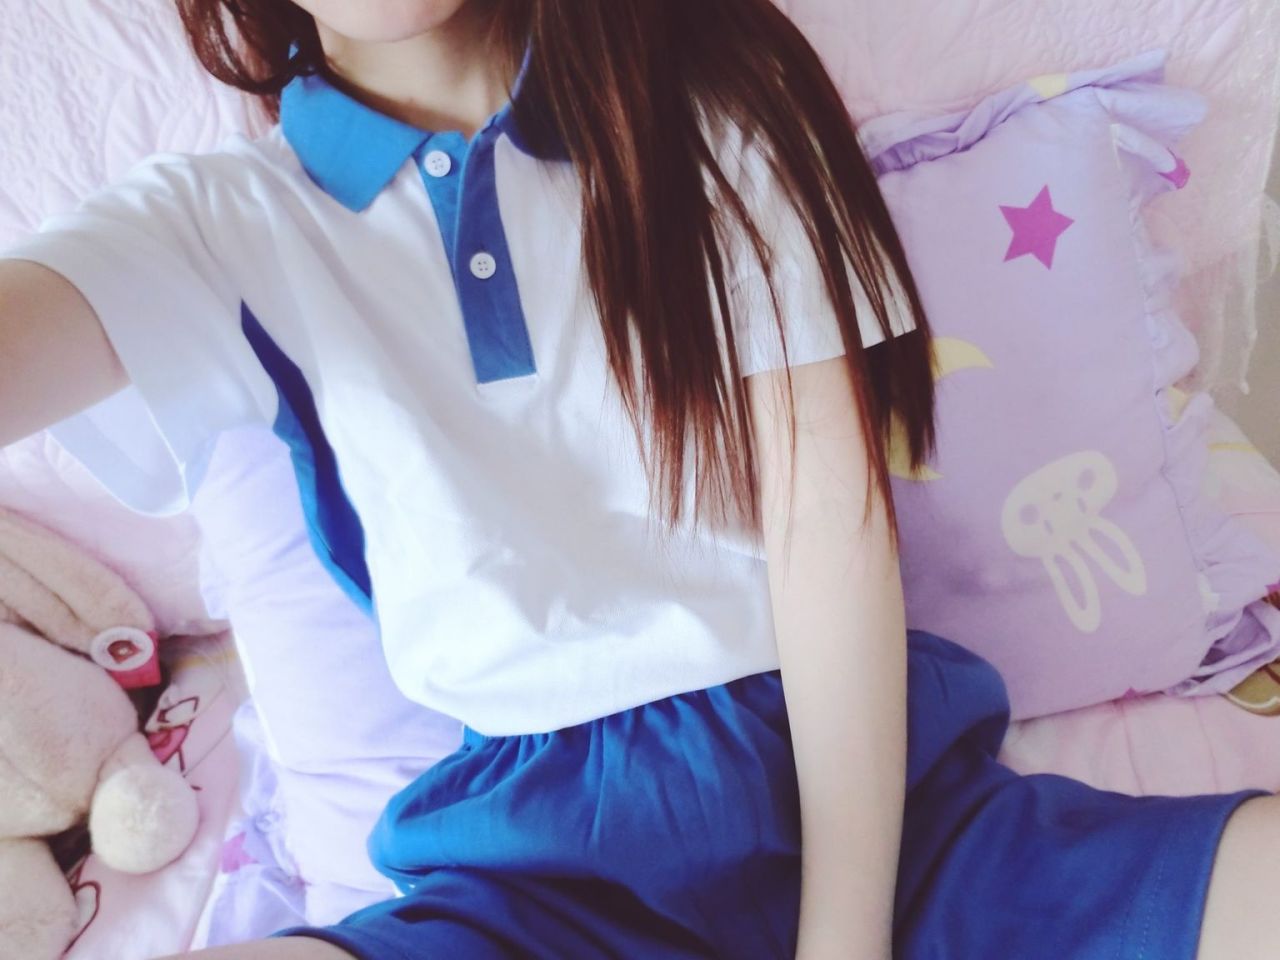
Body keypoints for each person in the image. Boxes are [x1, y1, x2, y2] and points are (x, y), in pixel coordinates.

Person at [0, 1, 1276, 957]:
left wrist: (844, 941)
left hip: (877, 812)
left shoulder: (711, 107)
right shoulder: (215, 221)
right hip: (525, 882)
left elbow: (828, 536)